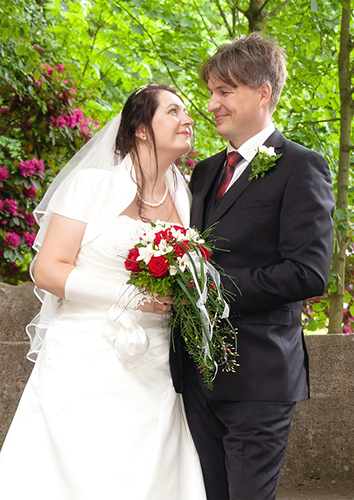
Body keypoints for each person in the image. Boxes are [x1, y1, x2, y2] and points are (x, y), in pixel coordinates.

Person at [0, 84, 207, 500]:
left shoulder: (184, 196)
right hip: (84, 355)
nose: (188, 120)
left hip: (157, 363)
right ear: (142, 129)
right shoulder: (91, 185)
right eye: (173, 111)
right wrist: (129, 296)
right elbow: (47, 269)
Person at [170, 33, 335, 499]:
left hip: (259, 375)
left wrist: (209, 290)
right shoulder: (203, 172)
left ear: (263, 93)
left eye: (225, 91)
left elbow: (308, 272)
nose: (211, 104)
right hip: (196, 376)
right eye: (211, 92)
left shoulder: (302, 166)